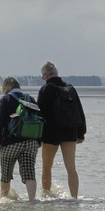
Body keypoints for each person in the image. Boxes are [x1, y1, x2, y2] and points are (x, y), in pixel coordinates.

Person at [36, 61, 87, 197]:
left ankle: (46, 196)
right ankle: (74, 198)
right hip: (70, 132)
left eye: (42, 77)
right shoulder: (70, 88)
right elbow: (80, 111)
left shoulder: (46, 89)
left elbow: (39, 114)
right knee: (71, 169)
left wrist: (37, 137)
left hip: (50, 133)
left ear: (46, 75)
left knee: (47, 167)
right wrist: (81, 133)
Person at [0, 77, 40, 201]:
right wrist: (39, 140)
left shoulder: (6, 99)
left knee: (6, 174)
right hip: (31, 142)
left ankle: (4, 200)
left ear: (6, 87)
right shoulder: (30, 99)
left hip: (10, 143)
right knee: (29, 173)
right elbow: (39, 120)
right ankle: (32, 201)